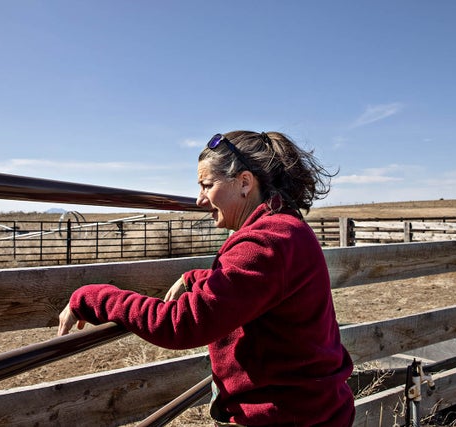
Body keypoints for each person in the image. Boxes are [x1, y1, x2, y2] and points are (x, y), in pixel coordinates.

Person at [56, 131, 349, 426]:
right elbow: (253, 286)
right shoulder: (285, 227)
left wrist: (94, 298)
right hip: (314, 410)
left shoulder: (263, 242)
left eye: (207, 185)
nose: (199, 199)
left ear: (244, 183)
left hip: (284, 417)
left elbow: (181, 324)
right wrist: (198, 278)